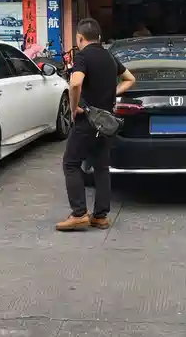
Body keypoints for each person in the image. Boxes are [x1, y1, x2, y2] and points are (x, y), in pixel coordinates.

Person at [57, 18, 136, 232]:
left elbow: (75, 83)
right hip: (106, 121)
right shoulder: (109, 56)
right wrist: (111, 93)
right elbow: (130, 79)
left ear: (80, 38)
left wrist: (74, 107)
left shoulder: (82, 56)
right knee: (101, 168)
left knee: (71, 163)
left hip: (87, 120)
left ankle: (79, 214)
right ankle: (100, 217)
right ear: (99, 37)